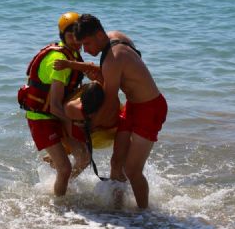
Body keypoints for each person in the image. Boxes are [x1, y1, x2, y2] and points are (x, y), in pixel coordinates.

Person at [70, 14, 167, 209]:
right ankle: (117, 208)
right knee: (116, 162)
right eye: (82, 46)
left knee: (132, 170)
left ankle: (144, 216)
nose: (86, 51)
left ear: (99, 35)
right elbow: (130, 63)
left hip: (150, 109)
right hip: (132, 106)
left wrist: (91, 126)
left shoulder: (112, 60)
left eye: (87, 44)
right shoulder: (117, 36)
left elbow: (109, 102)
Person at [17, 12, 90, 196]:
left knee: (84, 159)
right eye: (70, 35)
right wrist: (78, 123)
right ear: (62, 36)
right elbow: (56, 106)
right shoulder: (59, 63)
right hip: (41, 117)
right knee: (64, 169)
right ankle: (59, 208)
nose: (75, 39)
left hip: (58, 114)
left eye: (78, 35)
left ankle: (62, 184)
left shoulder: (73, 55)